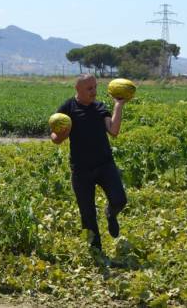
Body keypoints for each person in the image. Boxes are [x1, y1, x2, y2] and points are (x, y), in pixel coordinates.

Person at [51, 74, 128, 253]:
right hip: (81, 170)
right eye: (89, 89)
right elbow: (55, 138)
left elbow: (114, 131)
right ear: (78, 89)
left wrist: (118, 105)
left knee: (120, 200)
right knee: (88, 215)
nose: (94, 92)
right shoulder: (67, 108)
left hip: (104, 165)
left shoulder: (100, 107)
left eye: (95, 87)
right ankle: (97, 253)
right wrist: (62, 133)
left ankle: (111, 213)